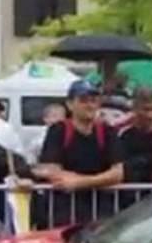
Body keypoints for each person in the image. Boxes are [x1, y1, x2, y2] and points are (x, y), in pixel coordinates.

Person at [36, 80, 125, 227]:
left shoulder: (107, 131)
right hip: (65, 211)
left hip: (101, 210)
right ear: (70, 104)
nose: (90, 105)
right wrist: (101, 180)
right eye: (83, 100)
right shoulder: (58, 130)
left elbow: (118, 174)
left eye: (93, 101)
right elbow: (53, 171)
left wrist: (79, 182)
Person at [117, 86, 152, 184]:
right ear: (135, 108)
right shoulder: (118, 133)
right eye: (145, 109)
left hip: (150, 196)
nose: (150, 115)